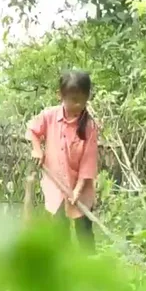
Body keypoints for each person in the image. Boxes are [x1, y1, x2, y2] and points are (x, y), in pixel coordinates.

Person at [25, 69, 99, 252]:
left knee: (84, 231)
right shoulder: (49, 116)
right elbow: (32, 131)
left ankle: (90, 264)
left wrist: (77, 190)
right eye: (74, 100)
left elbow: (88, 163)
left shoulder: (89, 126)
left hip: (80, 188)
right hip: (56, 185)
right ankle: (65, 271)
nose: (79, 104)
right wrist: (37, 150)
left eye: (83, 100)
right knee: (60, 230)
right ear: (61, 96)